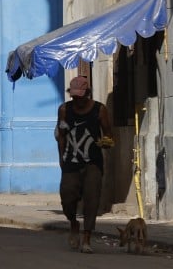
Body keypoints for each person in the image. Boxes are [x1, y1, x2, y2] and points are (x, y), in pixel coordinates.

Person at [56, 75, 113, 254]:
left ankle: (87, 238)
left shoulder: (99, 110)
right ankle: (73, 222)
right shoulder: (64, 110)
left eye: (80, 96)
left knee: (92, 198)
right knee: (67, 197)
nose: (77, 100)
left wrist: (106, 143)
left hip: (93, 162)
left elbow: (109, 135)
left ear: (87, 93)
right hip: (70, 161)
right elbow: (61, 135)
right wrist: (61, 159)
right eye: (74, 97)